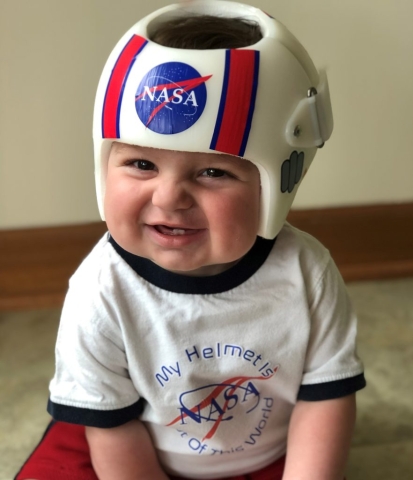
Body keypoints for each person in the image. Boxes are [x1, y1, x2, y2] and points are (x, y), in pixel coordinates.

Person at [15, 1, 366, 480]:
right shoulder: (100, 289)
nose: (169, 197)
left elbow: (324, 401)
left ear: (278, 181)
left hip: (270, 454)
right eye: (141, 164)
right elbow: (112, 428)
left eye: (212, 171)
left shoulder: (306, 272)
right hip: (129, 449)